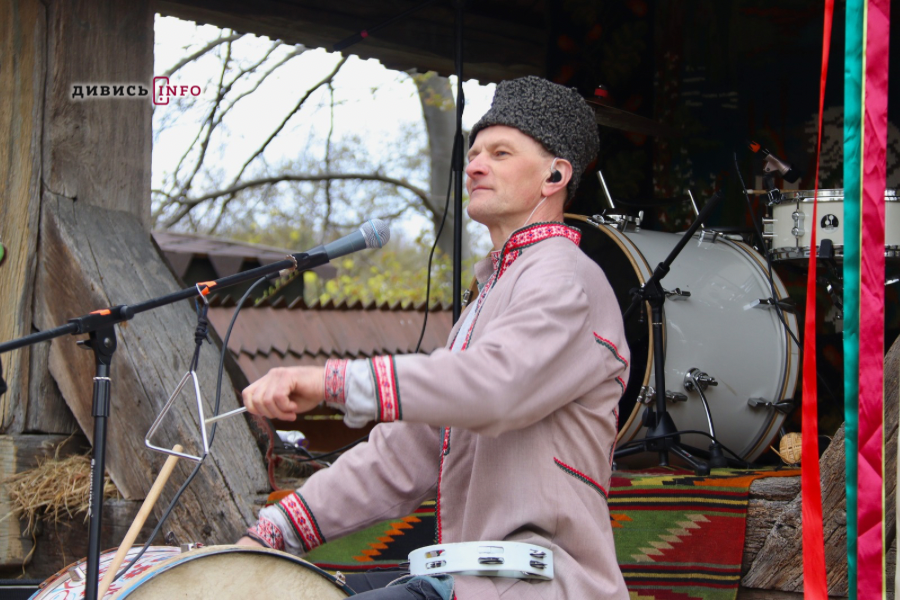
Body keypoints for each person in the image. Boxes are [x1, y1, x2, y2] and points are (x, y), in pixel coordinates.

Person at [237, 75, 631, 600]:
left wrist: (331, 381)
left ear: (555, 175)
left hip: (540, 584)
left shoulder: (564, 278)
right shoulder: (494, 290)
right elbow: (406, 452)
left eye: (500, 153)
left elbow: (493, 385)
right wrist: (276, 530)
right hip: (471, 578)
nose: (475, 166)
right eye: (474, 154)